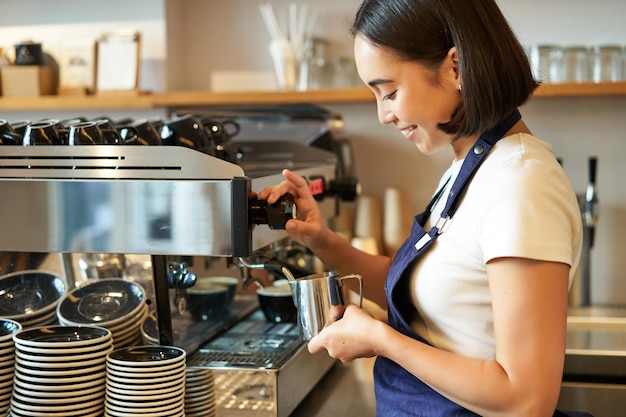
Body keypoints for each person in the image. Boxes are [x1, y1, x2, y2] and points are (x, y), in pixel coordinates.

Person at [259, 0, 586, 416]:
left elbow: (525, 400)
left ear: (456, 67)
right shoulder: (469, 168)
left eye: (390, 92)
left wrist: (381, 340)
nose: (383, 114)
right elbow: (422, 295)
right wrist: (320, 239)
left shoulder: (521, 182)